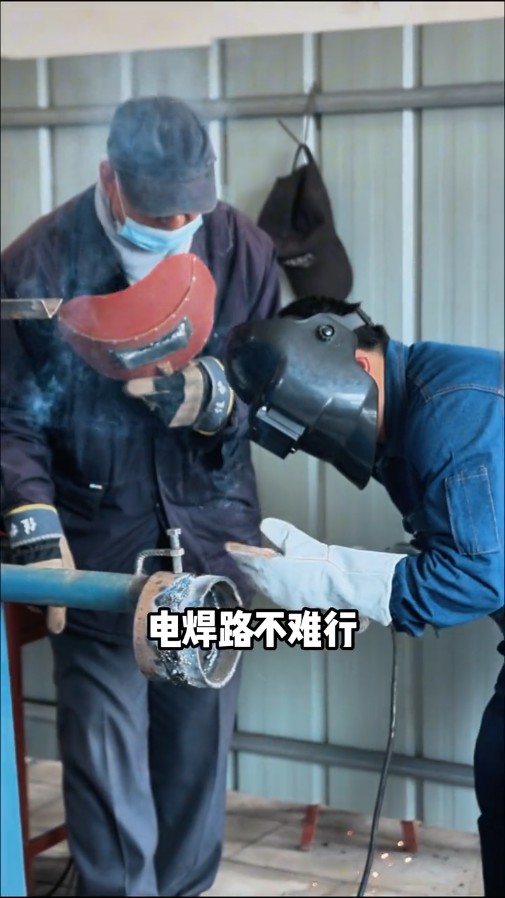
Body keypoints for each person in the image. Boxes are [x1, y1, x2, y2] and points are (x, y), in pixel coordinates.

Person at [1, 95, 281, 897]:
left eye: (193, 208)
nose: (180, 225)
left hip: (210, 536)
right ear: (109, 180)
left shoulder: (239, 245)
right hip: (99, 549)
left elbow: (272, 379)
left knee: (196, 756)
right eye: (160, 214)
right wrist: (32, 523)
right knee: (105, 763)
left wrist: (221, 399)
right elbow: (10, 414)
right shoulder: (37, 263)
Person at [224, 296, 505, 898]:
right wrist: (359, 574)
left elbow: (478, 575)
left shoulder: (446, 410)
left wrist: (335, 578)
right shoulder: (410, 414)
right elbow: (461, 541)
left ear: (349, 359)